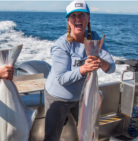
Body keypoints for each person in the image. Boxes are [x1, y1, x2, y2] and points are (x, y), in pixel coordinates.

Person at [44, 0, 116, 140]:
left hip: (83, 97)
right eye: (73, 15)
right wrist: (84, 68)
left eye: (82, 15)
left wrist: (100, 62)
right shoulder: (61, 45)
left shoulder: (94, 38)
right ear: (68, 21)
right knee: (52, 136)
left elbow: (112, 68)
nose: (78, 18)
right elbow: (62, 78)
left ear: (88, 18)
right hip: (58, 97)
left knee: (88, 133)